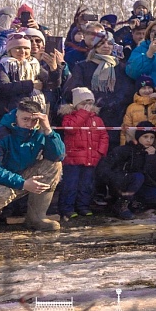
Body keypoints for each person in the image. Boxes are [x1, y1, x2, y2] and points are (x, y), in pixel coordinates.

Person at [0, 96, 65, 233]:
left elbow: (58, 156)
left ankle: (36, 217)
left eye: (34, 120)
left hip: (23, 175)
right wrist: (23, 183)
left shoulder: (39, 131)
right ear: (16, 116)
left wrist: (48, 130)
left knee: (54, 165)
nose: (29, 124)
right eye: (25, 119)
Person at [97, 122, 156, 218]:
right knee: (138, 177)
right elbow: (105, 167)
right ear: (138, 137)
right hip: (121, 184)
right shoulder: (124, 150)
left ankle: (133, 203)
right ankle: (121, 204)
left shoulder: (152, 152)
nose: (149, 140)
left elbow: (153, 175)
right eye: (145, 137)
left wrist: (151, 158)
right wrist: (113, 181)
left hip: (138, 185)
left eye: (152, 137)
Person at [57, 87, 107, 219]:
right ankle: (67, 208)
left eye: (90, 103)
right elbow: (71, 129)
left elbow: (103, 136)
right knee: (70, 185)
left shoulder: (97, 120)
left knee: (86, 185)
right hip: (73, 159)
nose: (87, 107)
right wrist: (82, 114)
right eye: (84, 103)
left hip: (91, 158)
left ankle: (83, 206)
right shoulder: (69, 117)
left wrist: (100, 152)